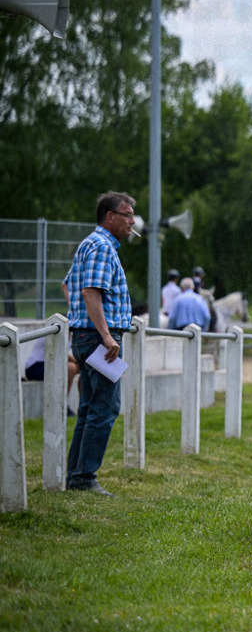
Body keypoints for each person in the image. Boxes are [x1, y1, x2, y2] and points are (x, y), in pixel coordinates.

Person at [62, 191, 136, 496]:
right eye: (127, 215)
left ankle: (76, 475)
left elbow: (69, 285)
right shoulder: (102, 247)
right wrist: (105, 335)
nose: (132, 222)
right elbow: (90, 292)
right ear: (110, 216)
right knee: (105, 408)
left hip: (86, 336)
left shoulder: (89, 244)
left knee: (90, 408)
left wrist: (81, 319)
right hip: (98, 339)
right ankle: (83, 477)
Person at [23, 337, 80, 415]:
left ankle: (83, 407)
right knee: (71, 367)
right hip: (35, 366)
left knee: (83, 369)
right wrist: (80, 362)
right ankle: (62, 404)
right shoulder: (54, 331)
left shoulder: (71, 334)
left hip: (50, 364)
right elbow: (60, 353)